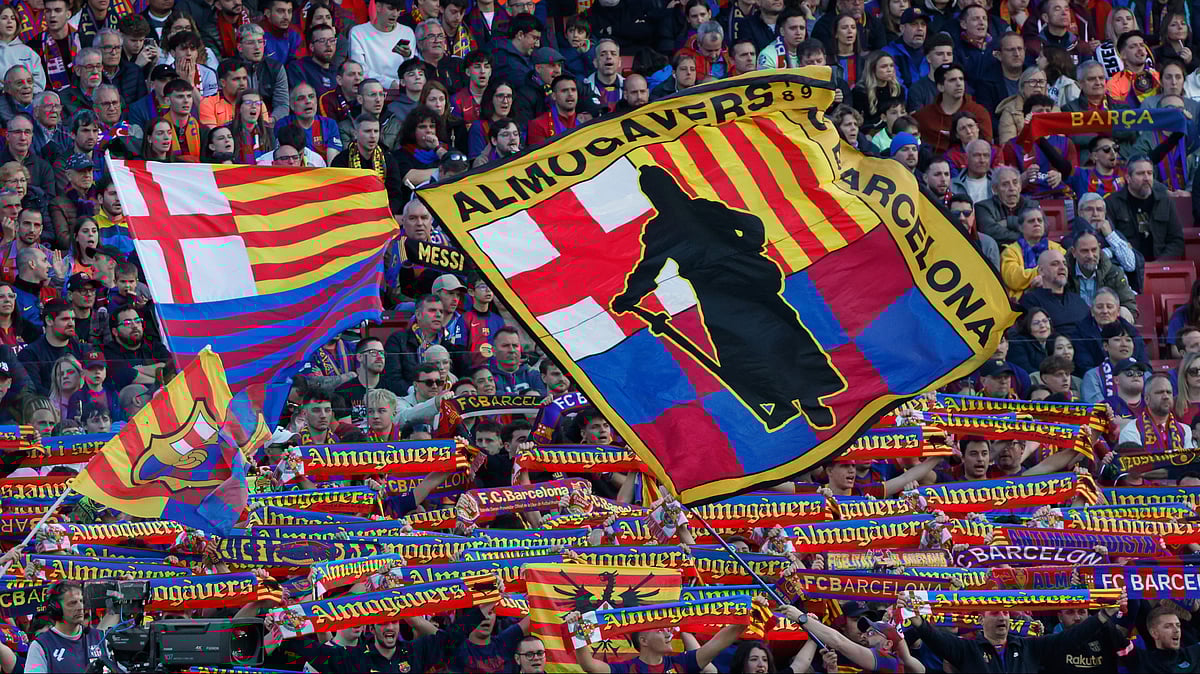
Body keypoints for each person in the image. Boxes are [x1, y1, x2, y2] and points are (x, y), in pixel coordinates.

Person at [568, 609, 749, 673]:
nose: (667, 631)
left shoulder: (682, 663)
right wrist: (578, 629)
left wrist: (751, 612)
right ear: (644, 640)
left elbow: (720, 642)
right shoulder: (624, 669)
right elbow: (588, 665)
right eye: (659, 629)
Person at [1107, 155, 1185, 263]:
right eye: (1140, 173)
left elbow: (1177, 241)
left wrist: (1159, 264)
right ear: (1128, 178)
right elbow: (1109, 241)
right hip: (1127, 268)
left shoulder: (1165, 201)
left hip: (1160, 267)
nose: (1146, 178)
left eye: (1149, 173)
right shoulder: (1112, 203)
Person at [25, 581, 113, 674]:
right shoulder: (41, 646)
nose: (80, 607)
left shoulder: (100, 637)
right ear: (56, 608)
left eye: (81, 601)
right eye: (73, 603)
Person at [914, 62, 992, 154]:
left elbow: (987, 146)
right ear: (940, 87)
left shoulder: (979, 112)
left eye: (961, 79)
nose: (959, 84)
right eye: (952, 80)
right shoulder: (923, 117)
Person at [330, 112, 403, 210]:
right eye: (368, 131)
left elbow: (395, 195)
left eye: (376, 131)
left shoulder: (388, 160)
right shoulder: (341, 161)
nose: (373, 136)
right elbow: (337, 194)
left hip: (383, 214)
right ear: (356, 133)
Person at [1020, 248, 1092, 339]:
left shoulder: (1078, 300)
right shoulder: (1031, 301)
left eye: (1064, 264)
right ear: (1041, 271)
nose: (1062, 267)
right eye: (1055, 264)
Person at [18, 298, 85, 396]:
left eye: (73, 319)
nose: (71, 324)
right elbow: (34, 390)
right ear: (49, 321)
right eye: (65, 319)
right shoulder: (30, 354)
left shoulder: (82, 350)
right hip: (48, 408)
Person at [1000, 206, 1066, 299]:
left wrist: (1043, 276)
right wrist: (1042, 273)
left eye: (1040, 220)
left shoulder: (1056, 248)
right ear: (1021, 227)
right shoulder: (1010, 251)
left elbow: (1065, 270)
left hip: (1055, 297)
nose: (1036, 223)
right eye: (1031, 221)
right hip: (1024, 301)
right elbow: (1013, 278)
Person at [1066, 230, 1136, 314]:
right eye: (1084, 251)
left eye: (1094, 250)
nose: (1090, 256)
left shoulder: (1114, 273)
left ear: (1099, 248)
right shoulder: (1064, 275)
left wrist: (1123, 313)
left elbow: (1130, 306)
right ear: (1074, 252)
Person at [348, 0, 412, 90]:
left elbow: (414, 68)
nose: (395, 14)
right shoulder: (358, 32)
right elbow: (360, 70)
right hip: (370, 90)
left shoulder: (407, 32)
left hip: (404, 91)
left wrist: (407, 57)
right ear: (378, 7)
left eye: (398, 10)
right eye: (391, 9)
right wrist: (389, 83)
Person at [1120, 373, 1196, 448]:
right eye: (1160, 392)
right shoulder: (1132, 431)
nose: (1166, 396)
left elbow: (1190, 459)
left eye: (1169, 392)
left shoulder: (1185, 430)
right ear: (1147, 399)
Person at [101, 305, 168, 391]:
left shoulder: (154, 345)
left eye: (137, 321)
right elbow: (124, 375)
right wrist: (158, 381)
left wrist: (136, 369)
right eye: (127, 323)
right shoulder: (108, 352)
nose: (135, 326)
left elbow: (168, 368)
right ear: (115, 331)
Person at [977, 166, 1038, 246]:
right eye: (1005, 184)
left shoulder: (1032, 205)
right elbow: (991, 232)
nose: (1012, 188)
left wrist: (1009, 222)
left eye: (1015, 183)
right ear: (995, 189)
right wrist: (1027, 237)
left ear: (1020, 186)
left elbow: (1042, 229)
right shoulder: (983, 207)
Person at [1081, 321, 1140, 402]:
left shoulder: (1144, 374)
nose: (1124, 344)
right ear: (1105, 346)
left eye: (1128, 340)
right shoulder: (1093, 376)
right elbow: (1097, 408)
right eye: (1117, 340)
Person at [489, 325, 547, 396]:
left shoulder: (534, 375)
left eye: (515, 345)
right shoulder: (487, 377)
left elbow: (546, 397)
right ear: (493, 351)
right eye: (505, 345)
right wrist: (522, 395)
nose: (512, 350)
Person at [526, 74, 578, 146]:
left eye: (573, 90)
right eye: (564, 91)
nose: (570, 94)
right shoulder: (538, 125)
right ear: (554, 96)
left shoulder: (586, 122)